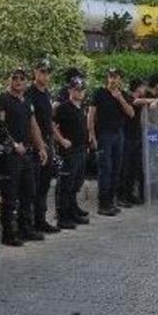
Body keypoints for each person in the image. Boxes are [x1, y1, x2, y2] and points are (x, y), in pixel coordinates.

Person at [0, 68, 49, 246]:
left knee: (28, 192)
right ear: (8, 80)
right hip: (9, 153)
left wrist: (41, 147)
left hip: (26, 153)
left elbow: (34, 126)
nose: (18, 81)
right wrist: (13, 144)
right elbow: (0, 126)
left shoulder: (27, 101)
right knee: (9, 195)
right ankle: (8, 234)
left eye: (21, 78)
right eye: (14, 78)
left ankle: (26, 229)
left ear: (26, 81)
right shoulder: (2, 99)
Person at [88, 68, 134, 216]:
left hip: (118, 134)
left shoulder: (123, 94)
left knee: (116, 168)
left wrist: (120, 98)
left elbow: (131, 113)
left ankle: (111, 201)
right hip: (104, 134)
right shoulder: (99, 93)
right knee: (105, 168)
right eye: (111, 76)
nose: (113, 79)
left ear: (120, 79)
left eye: (116, 77)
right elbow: (91, 115)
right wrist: (91, 135)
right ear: (107, 78)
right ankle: (103, 203)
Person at [26, 60, 62, 233]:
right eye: (42, 71)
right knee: (33, 186)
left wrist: (55, 141)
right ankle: (30, 222)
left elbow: (49, 121)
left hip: (47, 142)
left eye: (48, 72)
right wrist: (39, 144)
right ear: (35, 72)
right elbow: (29, 122)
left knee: (44, 185)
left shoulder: (47, 93)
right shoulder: (29, 93)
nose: (45, 75)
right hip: (34, 144)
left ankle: (41, 220)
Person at [53, 76, 90, 229]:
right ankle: (63, 216)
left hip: (81, 149)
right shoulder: (63, 107)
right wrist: (61, 140)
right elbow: (52, 125)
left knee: (76, 183)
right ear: (70, 90)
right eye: (76, 89)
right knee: (65, 184)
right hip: (69, 152)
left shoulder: (81, 107)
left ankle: (72, 210)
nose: (79, 92)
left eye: (81, 90)